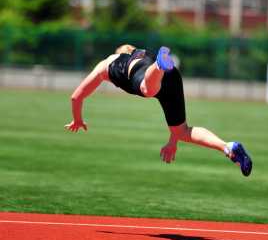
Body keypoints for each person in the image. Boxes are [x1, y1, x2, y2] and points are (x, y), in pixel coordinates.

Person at [65, 45, 252, 176]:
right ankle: (228, 147)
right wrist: (174, 139)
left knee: (147, 89)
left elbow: (76, 96)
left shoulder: (106, 64)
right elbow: (175, 128)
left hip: (152, 75)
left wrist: (78, 119)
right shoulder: (141, 52)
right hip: (171, 75)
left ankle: (158, 66)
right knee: (181, 130)